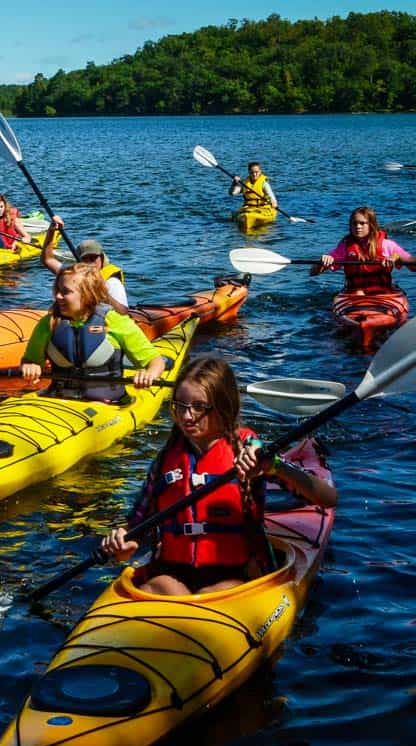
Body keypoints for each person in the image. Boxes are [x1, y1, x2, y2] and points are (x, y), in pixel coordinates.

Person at [101, 357, 338, 596]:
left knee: (216, 590)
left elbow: (328, 498)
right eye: (180, 405)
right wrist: (124, 542)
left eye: (198, 406)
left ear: (223, 406)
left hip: (235, 575)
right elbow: (136, 524)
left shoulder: (249, 449)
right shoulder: (165, 459)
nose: (187, 416)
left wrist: (273, 465)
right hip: (172, 574)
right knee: (162, 587)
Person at [20, 263, 165, 403]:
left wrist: (149, 374)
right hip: (58, 399)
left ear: (87, 294)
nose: (58, 296)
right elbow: (30, 361)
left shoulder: (114, 320)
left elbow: (155, 362)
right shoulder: (48, 323)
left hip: (108, 403)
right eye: (57, 290)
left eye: (65, 291)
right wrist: (30, 366)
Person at [312, 206, 416, 290]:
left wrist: (398, 258)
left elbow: (413, 267)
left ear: (371, 225)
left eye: (362, 223)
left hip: (383, 294)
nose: (358, 226)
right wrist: (323, 262)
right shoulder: (345, 247)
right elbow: (313, 273)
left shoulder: (387, 245)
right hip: (354, 294)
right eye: (354, 223)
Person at [41, 215, 129, 309]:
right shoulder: (73, 275)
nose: (90, 263)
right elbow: (47, 259)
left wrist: (101, 293)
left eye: (93, 258)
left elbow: (123, 311)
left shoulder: (112, 282)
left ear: (102, 259)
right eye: (85, 259)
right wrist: (51, 231)